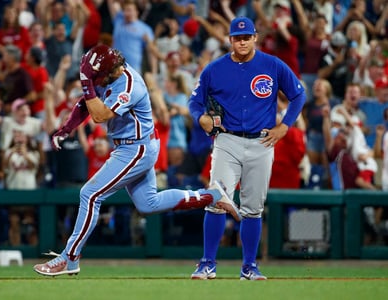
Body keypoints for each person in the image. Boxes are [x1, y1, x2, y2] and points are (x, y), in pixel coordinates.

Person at [33, 44, 239, 277]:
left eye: (97, 77)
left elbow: (99, 115)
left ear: (112, 71)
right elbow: (87, 102)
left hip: (136, 148)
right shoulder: (111, 73)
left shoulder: (129, 85)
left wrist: (86, 81)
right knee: (148, 204)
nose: (95, 80)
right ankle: (212, 195)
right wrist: (66, 128)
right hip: (136, 145)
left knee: (89, 195)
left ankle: (69, 257)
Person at [188, 16, 306, 280]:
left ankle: (249, 266)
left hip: (261, 141)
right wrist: (201, 117)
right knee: (217, 200)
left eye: (246, 37)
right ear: (230, 40)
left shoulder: (272, 64)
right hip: (227, 139)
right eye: (237, 37)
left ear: (255, 38)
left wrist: (285, 125)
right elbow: (194, 102)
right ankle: (207, 263)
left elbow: (299, 94)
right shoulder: (214, 69)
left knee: (253, 207)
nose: (241, 41)